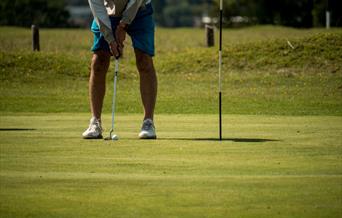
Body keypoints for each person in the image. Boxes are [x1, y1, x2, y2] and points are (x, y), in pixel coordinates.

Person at [82, 0, 157, 139]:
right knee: (99, 61)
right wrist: (110, 39)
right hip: (107, 12)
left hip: (139, 9)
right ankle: (95, 122)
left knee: (144, 60)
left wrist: (123, 25)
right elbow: (96, 6)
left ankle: (148, 122)